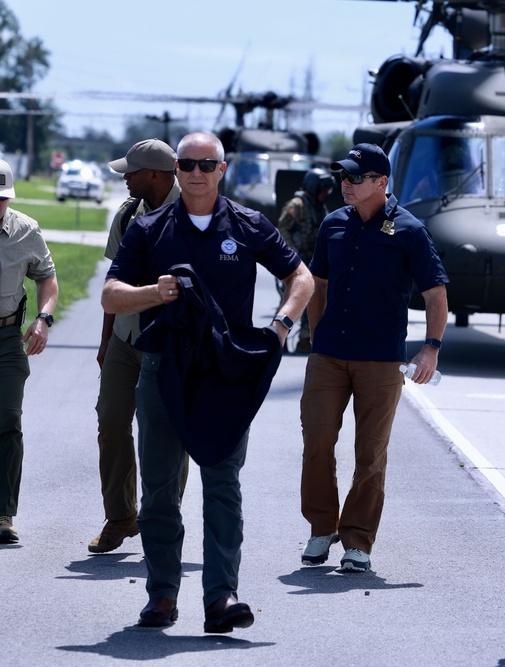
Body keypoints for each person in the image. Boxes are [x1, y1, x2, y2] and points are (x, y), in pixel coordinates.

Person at [101, 132, 312, 632]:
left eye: (206, 164)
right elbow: (111, 295)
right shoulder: (149, 228)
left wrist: (282, 324)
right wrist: (155, 292)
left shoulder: (248, 224)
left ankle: (221, 597)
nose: (196, 172)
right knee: (157, 490)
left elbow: (300, 276)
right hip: (164, 370)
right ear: (175, 169)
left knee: (222, 485)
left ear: (222, 170)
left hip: (224, 374)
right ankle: (162, 596)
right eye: (188, 164)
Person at [298, 143, 448, 573]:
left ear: (381, 183)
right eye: (343, 176)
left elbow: (435, 292)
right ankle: (321, 528)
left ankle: (358, 541)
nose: (345, 183)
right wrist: (316, 337)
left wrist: (431, 347)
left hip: (380, 361)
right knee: (317, 442)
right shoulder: (332, 224)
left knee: (370, 454)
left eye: (355, 177)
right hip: (328, 355)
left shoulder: (410, 230)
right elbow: (318, 284)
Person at [88, 138, 186, 554]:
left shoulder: (194, 215)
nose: (124, 178)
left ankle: (162, 517)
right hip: (127, 338)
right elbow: (114, 281)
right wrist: (106, 339)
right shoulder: (128, 214)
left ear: (154, 175)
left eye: (130, 171)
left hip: (171, 344)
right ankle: (121, 516)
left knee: (167, 434)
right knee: (111, 422)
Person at [0, 157, 59, 544]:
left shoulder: (26, 230)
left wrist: (43, 318)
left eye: (1, 197)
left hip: (6, 339)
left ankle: (2, 515)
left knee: (9, 422)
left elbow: (47, 278)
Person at [276, 167, 335, 352]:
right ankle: (277, 338)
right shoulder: (297, 205)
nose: (326, 193)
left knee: (314, 299)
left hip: (313, 263)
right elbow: (282, 229)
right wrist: (292, 255)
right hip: (296, 263)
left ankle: (305, 339)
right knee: (291, 300)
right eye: (324, 188)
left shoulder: (319, 208)